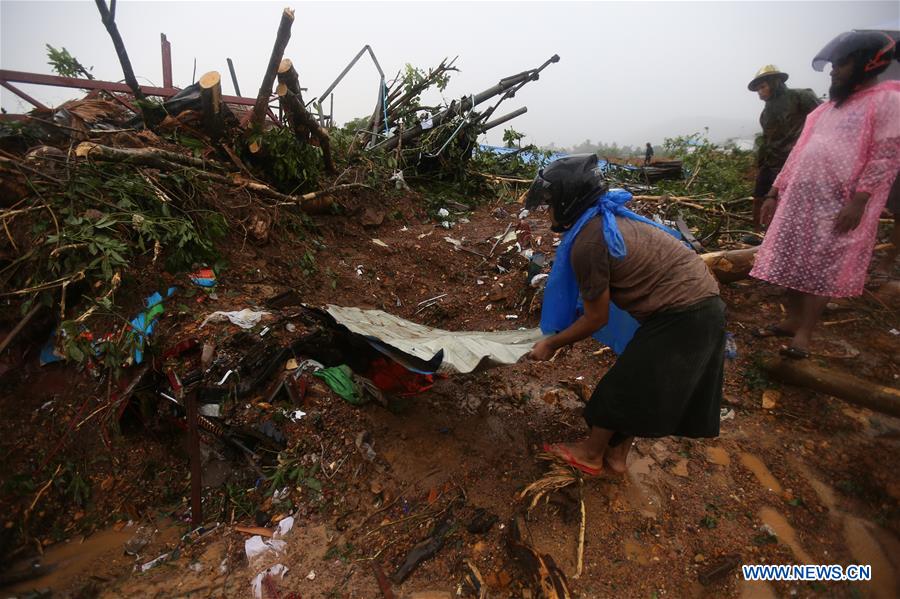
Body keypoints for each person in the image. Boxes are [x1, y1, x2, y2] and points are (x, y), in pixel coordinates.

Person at [525, 154, 724, 476]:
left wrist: (552, 344)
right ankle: (616, 458)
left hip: (685, 314)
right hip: (701, 307)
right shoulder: (607, 220)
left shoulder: (588, 242)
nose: (549, 210)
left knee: (620, 390)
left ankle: (590, 454)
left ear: (567, 199)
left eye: (550, 202)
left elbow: (595, 318)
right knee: (640, 384)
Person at [751, 31, 900, 358]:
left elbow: (886, 155)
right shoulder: (824, 111)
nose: (833, 71)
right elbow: (797, 153)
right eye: (832, 64)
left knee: (823, 266)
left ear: (868, 64)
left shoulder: (886, 101)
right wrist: (774, 192)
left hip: (840, 202)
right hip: (800, 198)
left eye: (842, 64)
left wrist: (860, 201)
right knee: (791, 258)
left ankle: (804, 335)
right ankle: (791, 320)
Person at [746, 65, 819, 244]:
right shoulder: (766, 112)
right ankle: (757, 235)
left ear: (775, 82)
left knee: (784, 202)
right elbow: (767, 140)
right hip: (770, 161)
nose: (760, 92)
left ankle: (779, 239)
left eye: (762, 87)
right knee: (759, 198)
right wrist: (760, 163)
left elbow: (823, 118)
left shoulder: (801, 96)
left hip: (793, 161)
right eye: (757, 89)